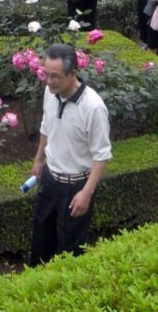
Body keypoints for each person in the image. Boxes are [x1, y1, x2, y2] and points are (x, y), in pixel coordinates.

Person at [30, 43, 111, 265]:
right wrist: (39, 160)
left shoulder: (93, 107)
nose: (49, 81)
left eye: (55, 76)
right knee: (40, 243)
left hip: (76, 187)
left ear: (73, 73)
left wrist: (86, 193)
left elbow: (101, 155)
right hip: (49, 179)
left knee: (70, 251)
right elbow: (47, 126)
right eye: (46, 74)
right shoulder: (50, 92)